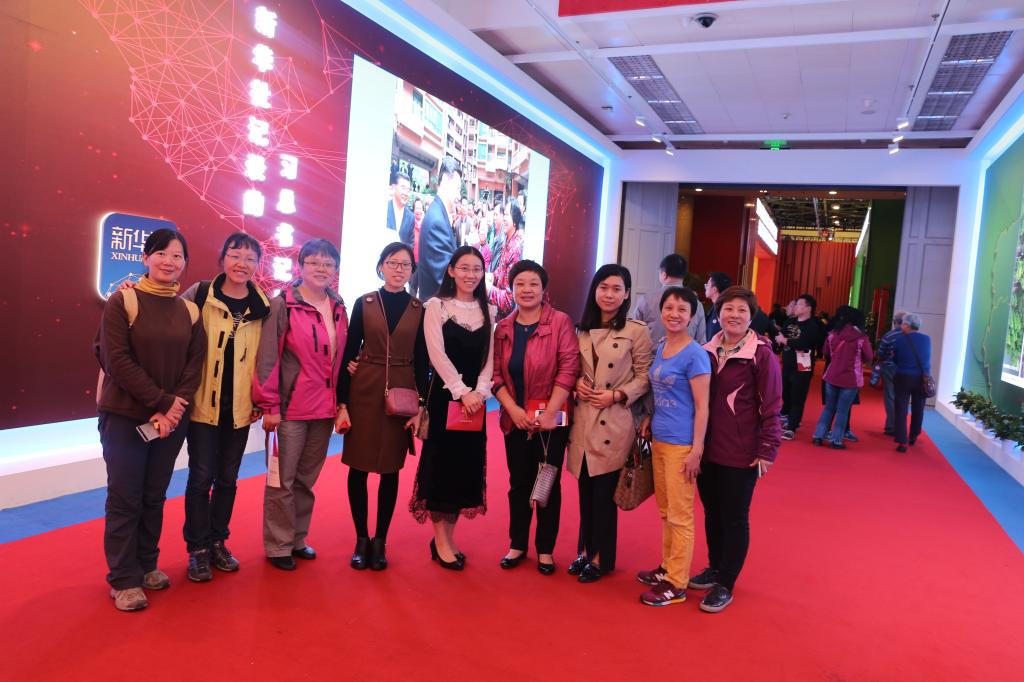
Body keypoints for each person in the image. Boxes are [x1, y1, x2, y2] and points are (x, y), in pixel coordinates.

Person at [96, 228, 206, 611]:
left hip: (171, 422)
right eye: (161, 253)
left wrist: (174, 408)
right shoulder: (122, 300)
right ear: (145, 257)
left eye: (177, 256)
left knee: (153, 495)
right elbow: (116, 360)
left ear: (184, 263)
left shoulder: (189, 310)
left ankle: (145, 565)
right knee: (125, 497)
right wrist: (161, 402)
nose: (168, 262)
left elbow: (195, 364)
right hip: (126, 418)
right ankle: (123, 579)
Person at [253, 239, 348, 571]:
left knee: (306, 480)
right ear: (301, 266)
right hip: (290, 409)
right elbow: (268, 359)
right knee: (282, 481)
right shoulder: (283, 305)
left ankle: (297, 538)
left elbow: (339, 358)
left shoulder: (338, 306)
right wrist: (270, 406)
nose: (322, 269)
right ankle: (278, 545)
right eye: (314, 262)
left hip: (323, 410)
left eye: (328, 264)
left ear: (335, 270)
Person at [180, 233, 270, 582]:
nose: (241, 263)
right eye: (235, 255)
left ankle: (218, 542)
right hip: (203, 404)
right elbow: (168, 320)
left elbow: (267, 359)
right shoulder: (200, 294)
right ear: (223, 257)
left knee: (228, 479)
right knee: (201, 477)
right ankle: (197, 549)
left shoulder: (263, 306)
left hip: (240, 409)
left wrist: (261, 400)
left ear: (258, 264)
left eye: (249, 258)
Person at [335, 243, 429, 570]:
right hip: (364, 388)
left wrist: (421, 405)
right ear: (381, 266)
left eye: (405, 264)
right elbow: (349, 352)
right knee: (358, 467)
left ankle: (380, 541)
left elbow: (423, 361)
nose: (399, 269)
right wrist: (342, 401)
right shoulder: (365, 303)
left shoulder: (419, 308)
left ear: (412, 270)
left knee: (391, 469)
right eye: (393, 263)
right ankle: (361, 539)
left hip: (402, 392)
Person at [691, 286, 782, 613]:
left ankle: (726, 582)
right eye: (728, 308)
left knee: (734, 517)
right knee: (712, 513)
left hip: (741, 453)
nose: (734, 315)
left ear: (751, 316)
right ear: (718, 313)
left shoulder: (761, 355)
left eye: (742, 310)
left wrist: (768, 448)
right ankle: (715, 567)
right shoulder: (705, 351)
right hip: (707, 449)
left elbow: (772, 406)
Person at [410, 246, 495, 570]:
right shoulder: (436, 306)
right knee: (441, 470)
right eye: (464, 268)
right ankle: (441, 540)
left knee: (464, 469)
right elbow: (436, 354)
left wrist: (481, 391)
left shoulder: (489, 310)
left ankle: (447, 537)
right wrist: (462, 392)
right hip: (447, 399)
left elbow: (489, 358)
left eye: (476, 269)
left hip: (476, 404)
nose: (470, 275)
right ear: (451, 270)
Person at [491, 260, 579, 575]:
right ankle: (517, 544)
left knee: (548, 483)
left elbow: (568, 368)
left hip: (552, 419)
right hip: (514, 418)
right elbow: (495, 375)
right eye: (520, 284)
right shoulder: (503, 327)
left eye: (533, 284)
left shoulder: (560, 322)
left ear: (544, 289)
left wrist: (550, 412)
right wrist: (514, 410)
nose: (526, 290)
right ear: (512, 288)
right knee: (518, 483)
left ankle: (545, 550)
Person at [568, 264, 653, 583]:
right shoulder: (582, 329)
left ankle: (601, 557)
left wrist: (617, 394)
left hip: (614, 422)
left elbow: (645, 377)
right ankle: (585, 551)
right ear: (594, 290)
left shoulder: (636, 331)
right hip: (583, 419)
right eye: (603, 287)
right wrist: (577, 383)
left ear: (627, 294)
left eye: (617, 289)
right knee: (585, 492)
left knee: (604, 494)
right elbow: (571, 368)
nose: (609, 294)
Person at [635, 287, 710, 606]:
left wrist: (697, 450)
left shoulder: (695, 354)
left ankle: (677, 582)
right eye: (669, 308)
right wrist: (650, 418)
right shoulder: (663, 345)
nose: (674, 314)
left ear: (692, 316)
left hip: (682, 444)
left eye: (682, 309)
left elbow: (702, 406)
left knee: (680, 514)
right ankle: (667, 567)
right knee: (666, 510)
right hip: (660, 439)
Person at [812, 306, 872, 449]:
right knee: (842, 411)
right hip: (851, 379)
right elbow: (869, 356)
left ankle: (818, 436)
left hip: (832, 375)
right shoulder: (861, 338)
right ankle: (836, 440)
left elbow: (825, 351)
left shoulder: (833, 334)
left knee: (828, 408)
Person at [633, 253, 707, 344]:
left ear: (664, 275)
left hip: (650, 353)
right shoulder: (696, 303)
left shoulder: (646, 299)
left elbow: (634, 332)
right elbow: (701, 340)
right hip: (687, 353)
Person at [417, 157, 462, 300]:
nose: (459, 196)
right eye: (458, 188)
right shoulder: (437, 220)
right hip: (436, 307)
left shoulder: (439, 213)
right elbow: (446, 276)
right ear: (446, 180)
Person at [776, 294, 820, 440]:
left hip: (803, 364)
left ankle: (792, 426)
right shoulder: (790, 321)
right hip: (787, 362)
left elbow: (802, 344)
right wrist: (783, 339)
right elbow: (780, 335)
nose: (796, 307)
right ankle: (788, 417)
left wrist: (785, 340)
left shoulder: (812, 326)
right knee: (785, 392)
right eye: (796, 304)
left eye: (800, 304)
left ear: (808, 308)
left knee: (798, 396)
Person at [890, 313, 931, 453]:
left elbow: (895, 358)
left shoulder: (899, 340)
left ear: (907, 325)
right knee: (918, 407)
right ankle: (914, 435)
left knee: (901, 408)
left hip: (903, 376)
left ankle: (901, 441)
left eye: (902, 323)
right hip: (921, 378)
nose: (900, 325)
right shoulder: (927, 339)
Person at [488, 197, 525, 319]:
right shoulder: (508, 241)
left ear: (515, 221)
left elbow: (509, 301)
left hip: (507, 318)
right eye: (504, 214)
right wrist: (491, 276)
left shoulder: (515, 250)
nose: (503, 218)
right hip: (499, 313)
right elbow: (502, 270)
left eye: (507, 215)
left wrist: (488, 289)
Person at [873, 311, 907, 436]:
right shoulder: (909, 336)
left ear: (895, 322)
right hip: (906, 370)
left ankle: (891, 426)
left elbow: (880, 353)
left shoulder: (889, 336)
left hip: (890, 369)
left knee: (890, 396)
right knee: (903, 397)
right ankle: (901, 426)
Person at [704, 272, 731, 339]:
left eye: (707, 285)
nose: (705, 287)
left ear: (714, 289)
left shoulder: (723, 309)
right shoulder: (715, 307)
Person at [388, 170, 414, 237]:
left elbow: (410, 242)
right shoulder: (384, 208)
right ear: (393, 188)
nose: (406, 193)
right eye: (403, 188)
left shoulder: (411, 217)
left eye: (408, 190)